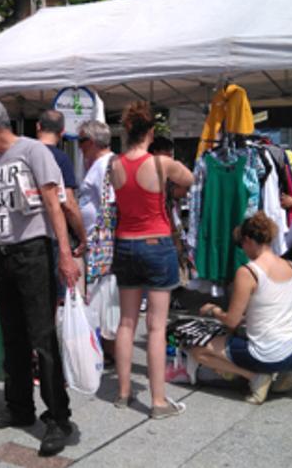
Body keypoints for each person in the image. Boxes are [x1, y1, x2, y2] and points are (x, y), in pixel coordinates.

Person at [0, 97, 80, 457]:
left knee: (42, 337)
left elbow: (53, 203)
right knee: (12, 334)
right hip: (7, 254)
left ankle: (58, 418)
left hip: (34, 253)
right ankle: (19, 406)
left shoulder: (33, 151)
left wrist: (64, 252)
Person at [110, 101, 193, 419]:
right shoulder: (162, 164)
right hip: (156, 244)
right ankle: (157, 401)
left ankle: (123, 392)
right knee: (156, 327)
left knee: (126, 323)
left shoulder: (114, 165)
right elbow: (190, 180)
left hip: (124, 245)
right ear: (152, 132)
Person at [191, 212, 292, 405]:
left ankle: (255, 377)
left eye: (241, 245)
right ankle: (284, 374)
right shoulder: (291, 266)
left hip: (266, 354)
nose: (242, 250)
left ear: (248, 240)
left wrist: (213, 310)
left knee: (198, 351)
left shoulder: (249, 272)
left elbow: (232, 321)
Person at [77, 120, 117, 366]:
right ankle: (105, 349)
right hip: (98, 240)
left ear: (91, 142)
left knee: (99, 298)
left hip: (100, 243)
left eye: (81, 142)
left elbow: (109, 204)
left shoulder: (105, 165)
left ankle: (105, 350)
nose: (79, 147)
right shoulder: (101, 164)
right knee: (102, 300)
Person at [36, 110, 87, 253]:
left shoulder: (24, 154)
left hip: (25, 236)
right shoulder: (61, 159)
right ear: (62, 132)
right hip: (53, 235)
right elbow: (69, 204)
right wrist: (82, 237)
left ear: (38, 127)